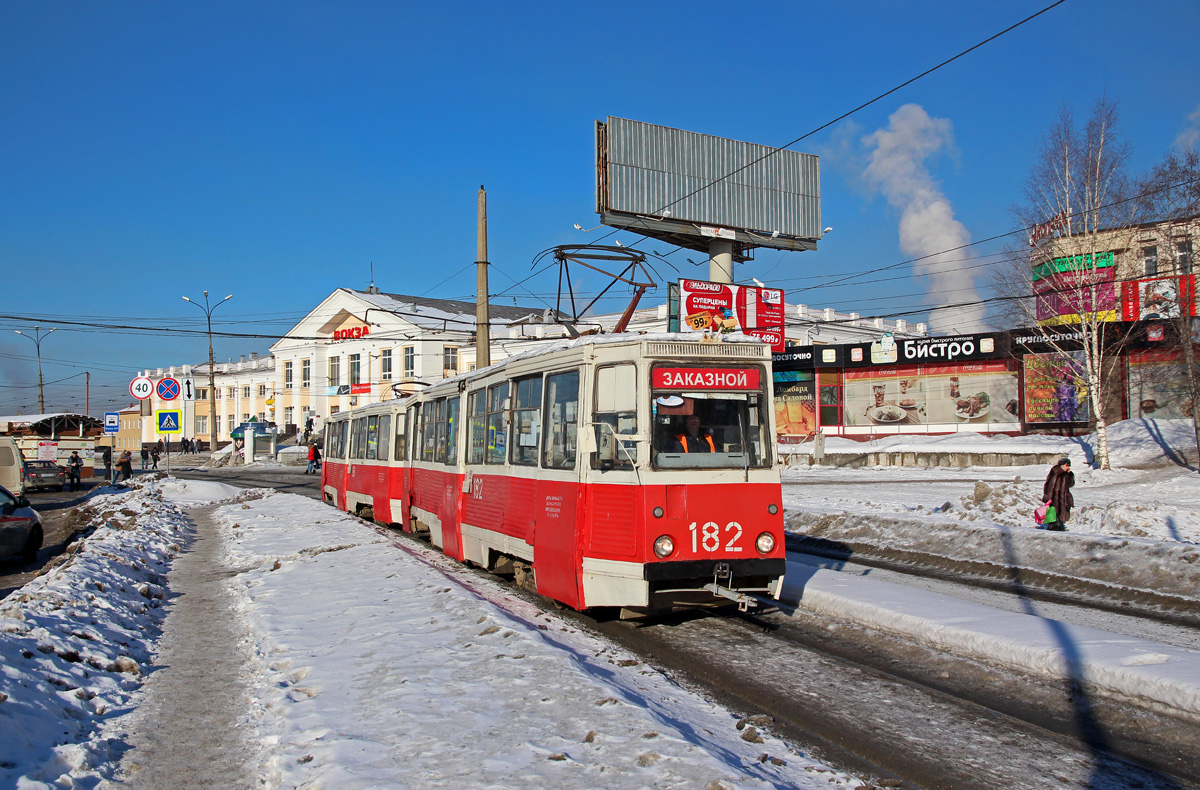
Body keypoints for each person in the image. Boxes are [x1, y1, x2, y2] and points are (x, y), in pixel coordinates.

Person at [1042, 457, 1075, 531]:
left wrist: (1070, 475)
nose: (1068, 467)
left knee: (1062, 513)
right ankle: (1055, 527)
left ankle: (1059, 525)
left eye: (1069, 466)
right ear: (1062, 465)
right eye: (1066, 465)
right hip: (1055, 498)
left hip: (1063, 498)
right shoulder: (1056, 472)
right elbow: (1050, 485)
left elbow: (1071, 484)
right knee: (1055, 512)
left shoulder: (1065, 474)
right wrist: (1048, 496)